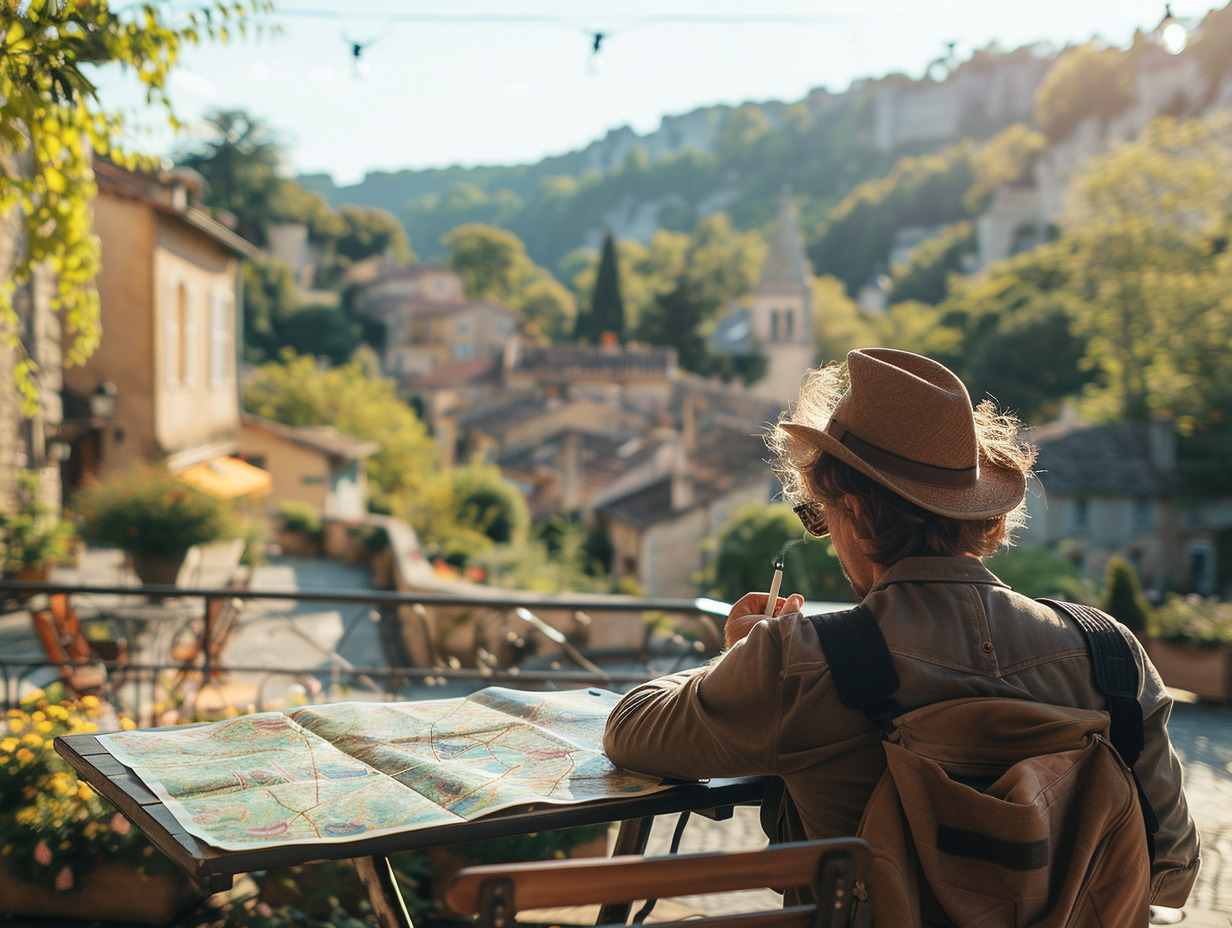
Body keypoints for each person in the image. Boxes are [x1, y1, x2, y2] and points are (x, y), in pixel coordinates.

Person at [603, 347, 1199, 908]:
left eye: (819, 514)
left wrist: (738, 660)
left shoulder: (802, 662)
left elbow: (629, 730)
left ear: (856, 515)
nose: (826, 536)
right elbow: (1172, 871)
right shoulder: (1112, 655)